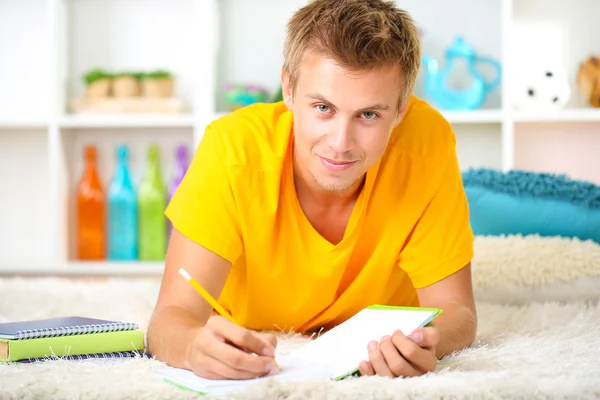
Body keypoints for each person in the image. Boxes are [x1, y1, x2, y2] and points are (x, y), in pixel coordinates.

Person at [147, 0, 477, 381]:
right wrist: (191, 347)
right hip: (249, 327)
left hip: (376, 346)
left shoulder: (427, 145)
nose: (340, 143)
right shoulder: (232, 150)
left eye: (369, 114)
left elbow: (457, 310)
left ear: (401, 109)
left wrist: (426, 340)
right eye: (323, 107)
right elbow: (169, 318)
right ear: (288, 88)